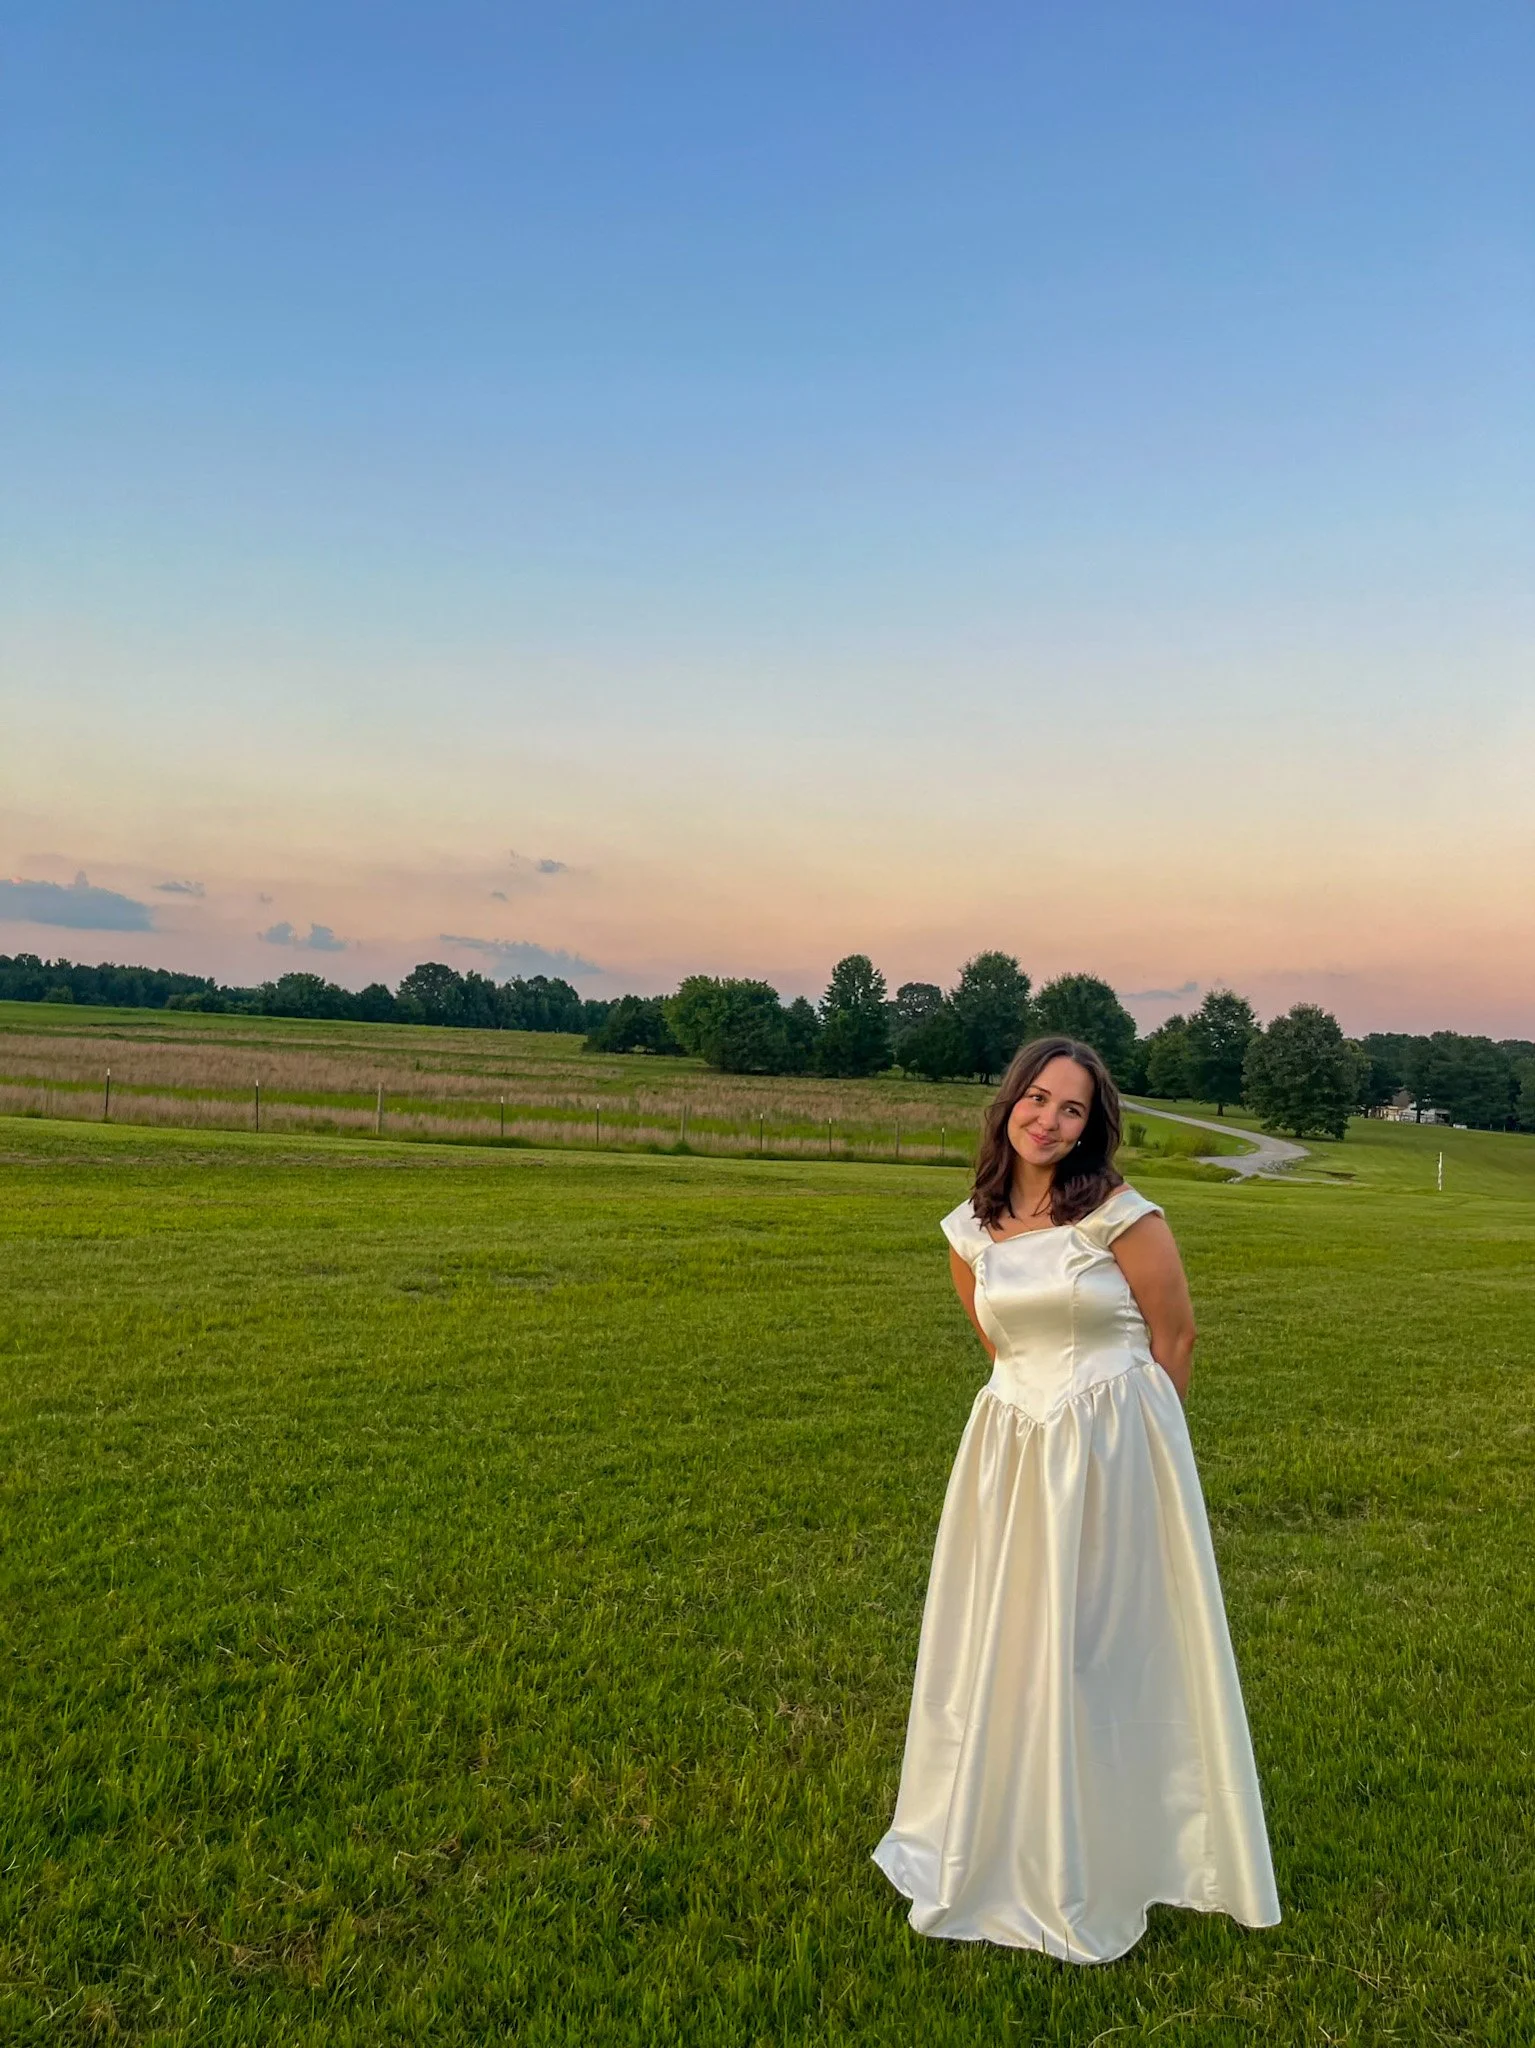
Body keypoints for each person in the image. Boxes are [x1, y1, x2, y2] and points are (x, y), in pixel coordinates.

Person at [873, 1036, 1280, 1962]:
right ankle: (999, 1824)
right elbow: (999, 1347)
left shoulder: (1123, 1218)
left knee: (1100, 1648)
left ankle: (1122, 1846)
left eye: (1072, 1109)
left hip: (1116, 1452)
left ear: (1093, 1126)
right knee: (1008, 1637)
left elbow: (1174, 1339)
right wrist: (1036, 1428)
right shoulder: (967, 1233)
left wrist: (1141, 1464)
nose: (1049, 1121)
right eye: (1038, 1099)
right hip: (1012, 1456)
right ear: (1008, 1102)